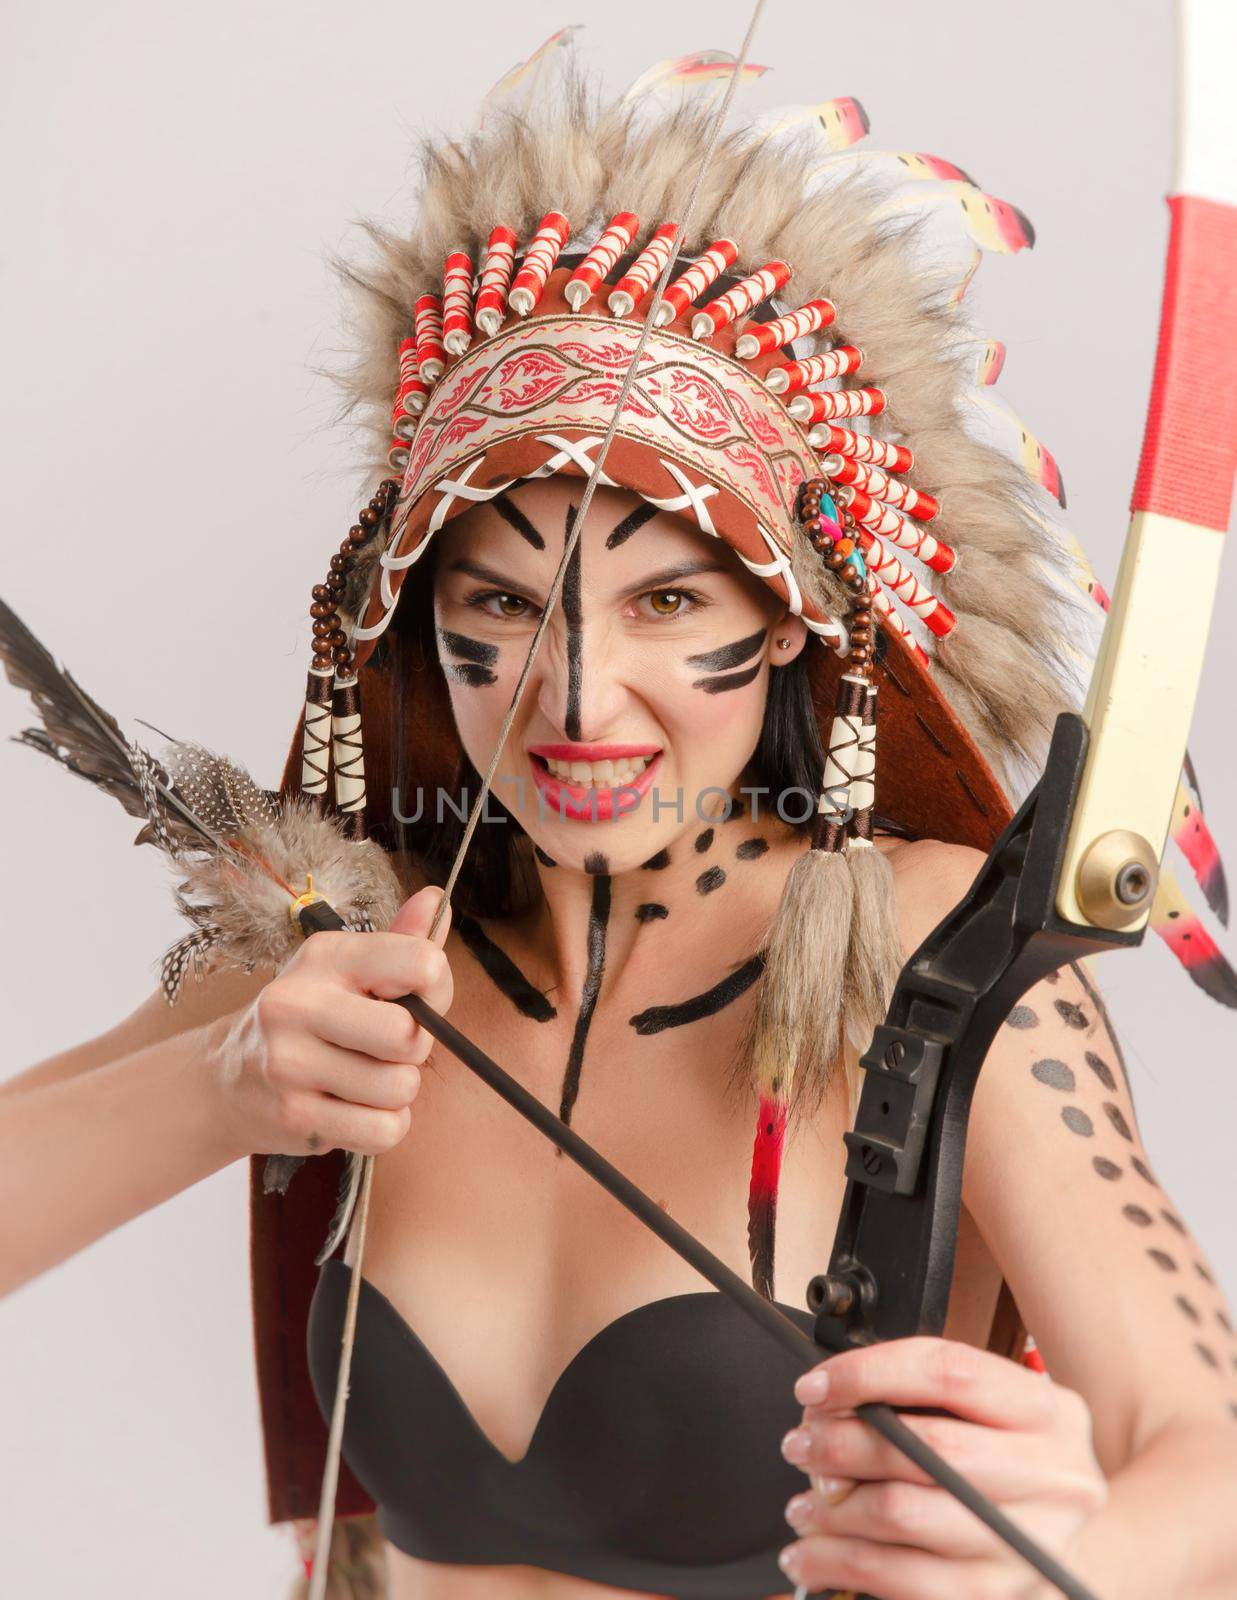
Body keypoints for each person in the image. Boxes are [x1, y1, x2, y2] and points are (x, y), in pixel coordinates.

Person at [4, 47, 1237, 1600]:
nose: (577, 705)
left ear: (793, 623)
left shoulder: (930, 955)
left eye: (668, 601)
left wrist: (1067, 1560)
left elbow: (1210, 1458)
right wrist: (219, 1088)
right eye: (503, 607)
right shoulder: (350, 947)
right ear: (408, 626)